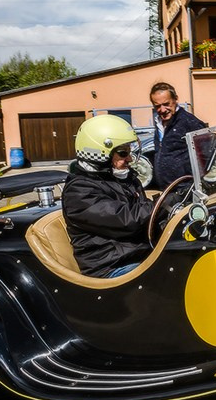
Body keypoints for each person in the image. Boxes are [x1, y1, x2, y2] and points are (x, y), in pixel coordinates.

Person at [62, 114, 155, 278]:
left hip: (137, 254)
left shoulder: (124, 179)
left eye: (129, 151)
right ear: (101, 154)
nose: (129, 158)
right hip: (111, 267)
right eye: (122, 152)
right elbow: (126, 220)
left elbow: (145, 215)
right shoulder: (79, 191)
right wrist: (163, 205)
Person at [150, 82, 206, 191]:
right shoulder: (159, 123)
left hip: (186, 190)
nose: (162, 109)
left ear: (175, 99)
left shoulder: (189, 122)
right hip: (166, 190)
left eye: (166, 104)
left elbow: (206, 155)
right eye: (157, 106)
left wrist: (193, 183)